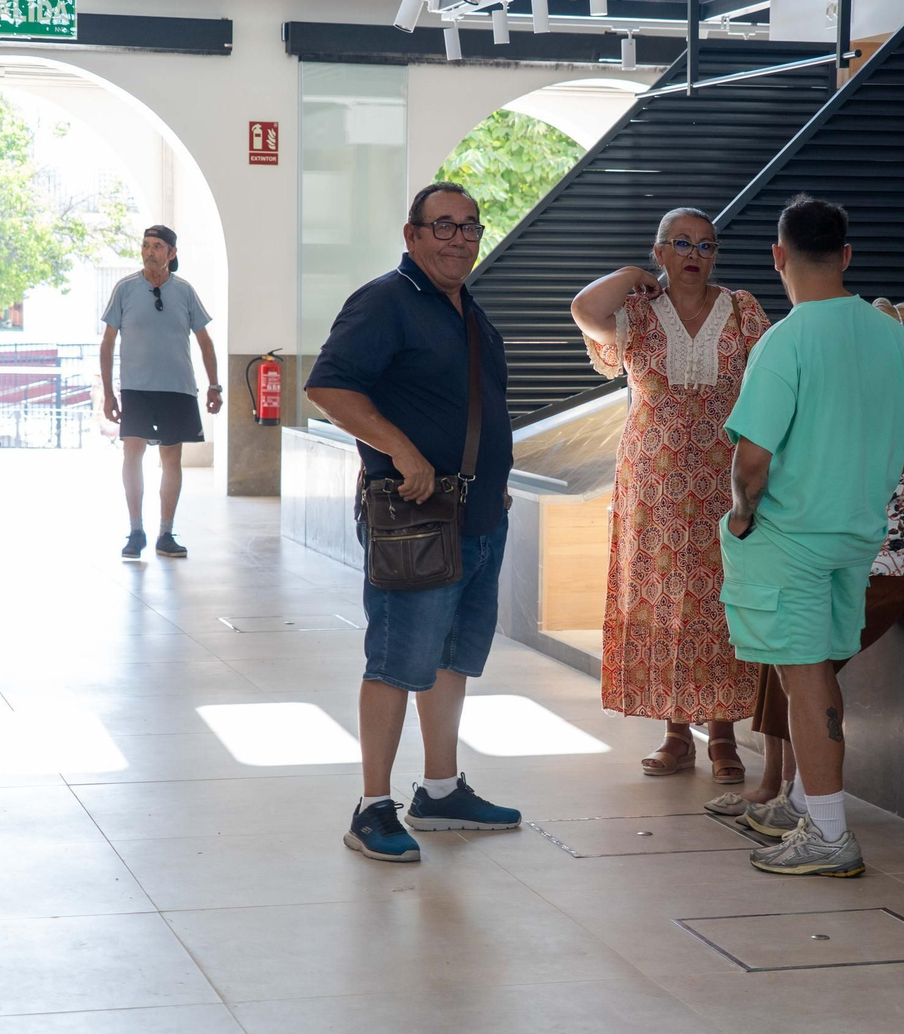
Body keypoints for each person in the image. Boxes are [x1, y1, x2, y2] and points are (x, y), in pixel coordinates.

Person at [721, 195, 904, 877]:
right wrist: (866, 476)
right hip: (855, 535)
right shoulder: (891, 336)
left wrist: (740, 513)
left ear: (778, 257)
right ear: (846, 256)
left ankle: (829, 835)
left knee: (806, 678)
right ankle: (819, 818)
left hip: (791, 535)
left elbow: (752, 457)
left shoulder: (783, 341)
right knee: (814, 676)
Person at [306, 181, 522, 863]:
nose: (458, 238)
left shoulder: (468, 308)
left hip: (479, 514)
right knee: (398, 661)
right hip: (416, 519)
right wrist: (399, 449)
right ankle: (372, 805)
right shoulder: (385, 302)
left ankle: (440, 789)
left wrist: (498, 479)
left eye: (469, 226)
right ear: (412, 235)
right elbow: (329, 385)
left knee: (451, 657)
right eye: (443, 226)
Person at [737, 296, 904, 839]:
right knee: (791, 646)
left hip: (900, 565)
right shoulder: (886, 400)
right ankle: (792, 793)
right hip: (858, 553)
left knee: (808, 656)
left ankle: (810, 810)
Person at [571, 208, 771, 785]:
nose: (694, 255)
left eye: (706, 246)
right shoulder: (635, 313)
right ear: (660, 252)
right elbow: (584, 310)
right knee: (664, 602)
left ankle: (726, 736)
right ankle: (676, 734)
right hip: (652, 485)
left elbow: (776, 375)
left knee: (721, 601)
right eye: (680, 244)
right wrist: (633, 271)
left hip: (724, 476)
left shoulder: (742, 310)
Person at [100, 224, 222, 560]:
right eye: (145, 246)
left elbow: (205, 341)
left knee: (171, 458)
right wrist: (109, 392)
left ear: (171, 253)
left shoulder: (184, 291)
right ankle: (135, 530)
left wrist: (214, 386)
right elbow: (108, 342)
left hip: (178, 388)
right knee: (132, 456)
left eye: (157, 246)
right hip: (137, 388)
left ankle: (165, 533)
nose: (150, 252)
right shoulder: (125, 288)